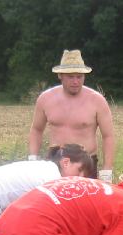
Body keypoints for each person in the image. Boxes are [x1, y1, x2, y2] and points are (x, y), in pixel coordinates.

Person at [28, 49, 115, 181]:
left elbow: (108, 136)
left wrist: (107, 169)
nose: (75, 81)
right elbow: (36, 129)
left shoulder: (97, 101)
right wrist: (32, 158)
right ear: (60, 75)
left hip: (86, 163)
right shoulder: (46, 99)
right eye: (70, 77)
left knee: (85, 201)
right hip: (54, 162)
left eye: (79, 77)